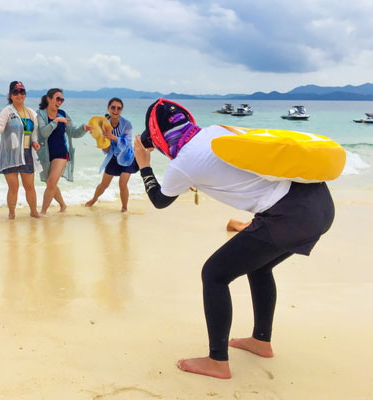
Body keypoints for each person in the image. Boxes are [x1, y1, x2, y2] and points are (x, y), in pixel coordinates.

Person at [134, 98, 335, 379]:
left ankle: (217, 360)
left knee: (214, 274)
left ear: (157, 137)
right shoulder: (218, 131)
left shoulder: (182, 164)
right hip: (318, 202)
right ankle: (261, 341)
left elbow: (159, 200)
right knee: (260, 266)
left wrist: (144, 165)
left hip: (289, 216)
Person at [0, 81, 41, 219]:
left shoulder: (31, 113)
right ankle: (11, 214)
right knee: (14, 187)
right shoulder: (7, 111)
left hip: (26, 154)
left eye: (22, 92)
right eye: (15, 92)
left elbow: (34, 133)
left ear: (25, 94)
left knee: (30, 186)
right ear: (10, 95)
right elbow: (0, 128)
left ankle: (34, 212)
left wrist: (35, 142)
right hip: (9, 154)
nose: (19, 95)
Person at [35, 88, 90, 215]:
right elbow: (43, 133)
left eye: (62, 99)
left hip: (61, 153)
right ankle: (63, 205)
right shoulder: (40, 114)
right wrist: (55, 122)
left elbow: (73, 132)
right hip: (46, 154)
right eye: (57, 98)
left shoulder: (63, 113)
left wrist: (83, 128)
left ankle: (42, 212)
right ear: (49, 99)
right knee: (51, 183)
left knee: (51, 182)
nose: (60, 102)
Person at [84, 97, 139, 212]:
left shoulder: (127, 124)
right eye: (113, 107)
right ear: (108, 109)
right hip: (113, 157)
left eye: (119, 108)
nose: (115, 110)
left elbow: (127, 142)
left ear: (121, 110)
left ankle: (124, 208)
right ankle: (94, 199)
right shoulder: (103, 125)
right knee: (104, 184)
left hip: (127, 156)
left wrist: (112, 137)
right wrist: (102, 140)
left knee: (122, 183)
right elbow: (105, 149)